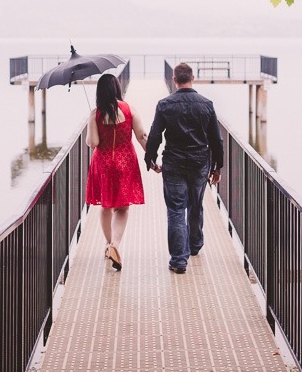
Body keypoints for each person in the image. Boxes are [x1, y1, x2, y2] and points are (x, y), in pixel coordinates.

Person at [144, 63, 223, 274]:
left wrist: (150, 158)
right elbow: (216, 139)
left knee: (176, 209)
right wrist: (217, 166)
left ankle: (179, 260)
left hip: (174, 163)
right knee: (195, 203)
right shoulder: (206, 104)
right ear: (193, 78)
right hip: (199, 163)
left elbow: (154, 135)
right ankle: (195, 245)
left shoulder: (164, 105)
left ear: (174, 80)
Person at [85, 73, 148, 271]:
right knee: (122, 207)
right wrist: (152, 159)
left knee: (105, 206)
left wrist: (91, 121)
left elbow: (93, 142)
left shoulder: (95, 113)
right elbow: (142, 136)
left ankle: (109, 243)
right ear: (117, 89)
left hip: (103, 163)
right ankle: (115, 245)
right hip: (125, 161)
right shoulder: (129, 109)